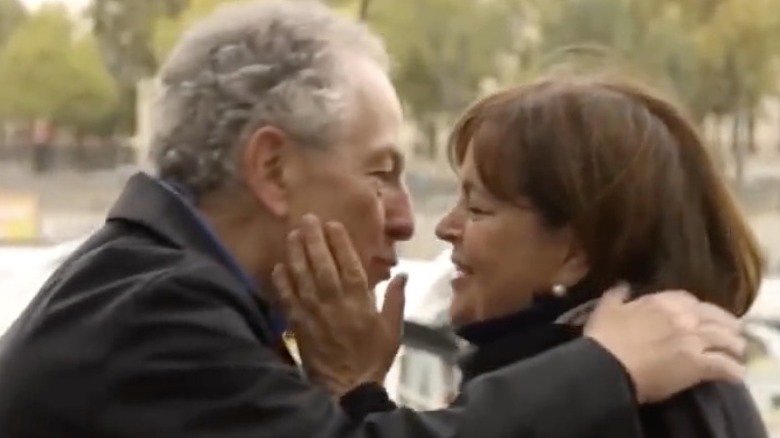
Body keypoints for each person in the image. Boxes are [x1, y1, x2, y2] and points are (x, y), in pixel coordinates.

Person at [0, 2, 746, 437]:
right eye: (381, 173)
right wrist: (602, 369)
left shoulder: (146, 290)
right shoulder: (156, 314)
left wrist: (355, 392)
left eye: (479, 203)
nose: (409, 221)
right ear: (273, 170)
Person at [274, 73, 767, 437]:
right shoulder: (642, 390)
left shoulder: (624, 408)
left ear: (575, 251)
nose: (445, 228)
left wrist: (354, 390)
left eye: (478, 208)